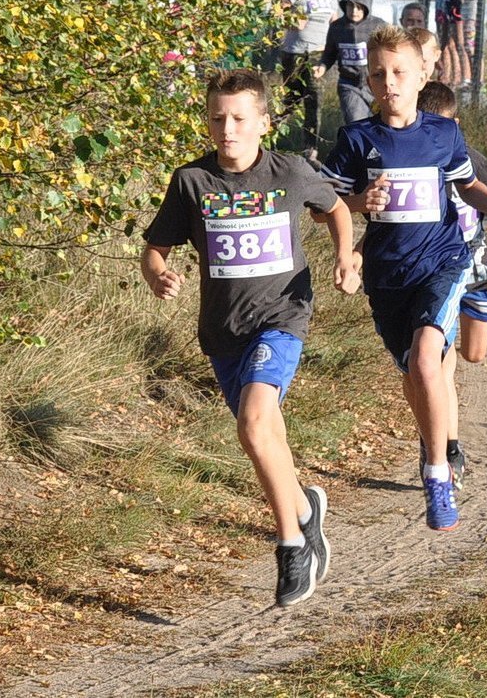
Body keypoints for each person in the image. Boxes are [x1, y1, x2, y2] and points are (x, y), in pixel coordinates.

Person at [141, 69, 360, 607]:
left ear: (264, 122)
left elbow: (334, 208)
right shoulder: (191, 182)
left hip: (283, 317)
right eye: (218, 118)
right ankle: (305, 509)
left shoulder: (289, 171)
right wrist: (156, 274)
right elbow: (155, 248)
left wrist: (345, 256)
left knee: (254, 423)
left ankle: (291, 546)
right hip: (223, 332)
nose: (227, 129)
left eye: (240, 118)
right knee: (264, 437)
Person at [322, 26, 487, 531]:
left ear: (421, 76)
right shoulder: (356, 139)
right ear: (368, 79)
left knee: (430, 363)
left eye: (398, 73)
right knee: (415, 374)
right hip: (388, 278)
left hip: (442, 263)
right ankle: (434, 440)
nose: (388, 82)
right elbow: (326, 208)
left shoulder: (442, 134)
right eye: (378, 74)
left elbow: (467, 184)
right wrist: (352, 224)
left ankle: (437, 475)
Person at [412, 80, 487, 489]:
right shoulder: (413, 159)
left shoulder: (471, 161)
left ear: (455, 126)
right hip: (434, 272)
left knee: (472, 354)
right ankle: (444, 443)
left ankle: (440, 409)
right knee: (438, 360)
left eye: (441, 128)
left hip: (476, 270)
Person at [277, 0, 341, 153]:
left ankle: (310, 149)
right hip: (295, 52)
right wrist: (292, 21)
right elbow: (279, 11)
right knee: (291, 100)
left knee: (315, 100)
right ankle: (268, 136)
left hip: (318, 54)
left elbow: (335, 24)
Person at [314, 0, 387, 125]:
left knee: (381, 121)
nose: (354, 10)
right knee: (356, 122)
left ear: (366, 8)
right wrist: (322, 67)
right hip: (349, 84)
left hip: (374, 84)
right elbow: (329, 54)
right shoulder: (336, 27)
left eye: (359, 7)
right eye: (350, 6)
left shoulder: (378, 26)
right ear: (344, 6)